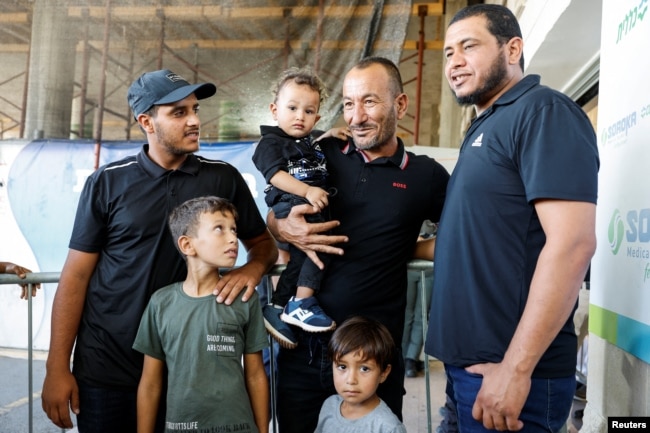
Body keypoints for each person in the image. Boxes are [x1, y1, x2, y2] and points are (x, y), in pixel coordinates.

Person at [41, 69, 278, 432]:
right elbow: (76, 275)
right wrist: (57, 366)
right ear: (146, 121)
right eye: (179, 112)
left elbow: (263, 246)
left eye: (195, 109)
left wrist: (252, 269)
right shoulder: (107, 182)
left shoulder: (223, 178)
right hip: (107, 367)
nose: (195, 120)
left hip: (187, 372)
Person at [423, 4, 599, 433]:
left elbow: (573, 243)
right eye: (448, 53)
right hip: (467, 370)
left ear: (513, 49)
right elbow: (481, 239)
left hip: (513, 376)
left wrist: (516, 371)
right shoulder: (485, 126)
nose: (454, 62)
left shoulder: (543, 112)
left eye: (468, 47)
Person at [267, 56, 450, 433]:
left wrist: (403, 248)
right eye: (349, 104)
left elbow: (457, 237)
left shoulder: (426, 175)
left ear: (400, 104)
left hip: (373, 360)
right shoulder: (319, 153)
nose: (356, 117)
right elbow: (274, 217)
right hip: (302, 352)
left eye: (369, 101)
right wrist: (287, 229)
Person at [133, 196, 269, 433]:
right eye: (219, 228)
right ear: (187, 245)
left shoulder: (246, 299)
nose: (232, 238)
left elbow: (256, 375)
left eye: (234, 230)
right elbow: (150, 383)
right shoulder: (161, 303)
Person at [252, 66, 349, 346]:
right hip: (291, 203)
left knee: (302, 256)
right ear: (274, 109)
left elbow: (312, 145)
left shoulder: (307, 141)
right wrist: (307, 190)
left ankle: (278, 306)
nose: (300, 116)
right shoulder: (270, 143)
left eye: (308, 111)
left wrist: (329, 134)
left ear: (316, 117)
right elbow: (275, 175)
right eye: (292, 108)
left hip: (305, 202)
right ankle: (302, 303)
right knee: (321, 246)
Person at [314, 316, 406, 433]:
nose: (351, 380)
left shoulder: (388, 427)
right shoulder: (329, 405)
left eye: (364, 369)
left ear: (384, 373)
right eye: (342, 367)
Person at [402, 221, 436, 378]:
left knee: (422, 314)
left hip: (429, 269)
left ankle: (411, 358)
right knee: (406, 313)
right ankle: (402, 356)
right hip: (407, 268)